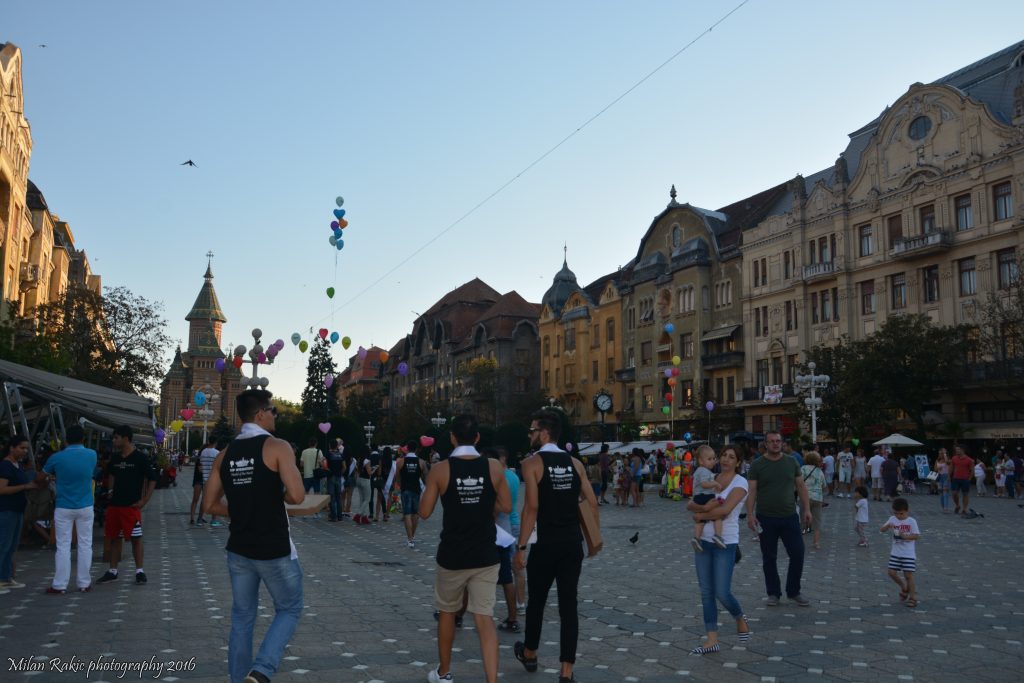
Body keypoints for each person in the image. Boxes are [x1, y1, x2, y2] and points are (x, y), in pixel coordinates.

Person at [203, 389, 305, 683]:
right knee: (289, 608)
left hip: (239, 549)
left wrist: (240, 510)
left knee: (242, 617)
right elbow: (297, 496)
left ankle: (239, 678)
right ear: (260, 414)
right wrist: (275, 497)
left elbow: (209, 505)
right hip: (273, 548)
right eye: (273, 410)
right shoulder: (277, 447)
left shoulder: (225, 455)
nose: (276, 416)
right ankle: (261, 670)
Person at [419, 414, 511, 683]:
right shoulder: (494, 467)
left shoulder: (441, 470)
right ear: (478, 437)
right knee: (484, 618)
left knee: (448, 612)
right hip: (486, 553)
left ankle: (444, 672)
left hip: (453, 554)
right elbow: (506, 506)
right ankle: (492, 680)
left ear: (452, 437)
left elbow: (424, 512)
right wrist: (483, 503)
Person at [514, 409, 598, 683]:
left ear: (544, 433)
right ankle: (566, 671)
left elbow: (532, 508)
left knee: (537, 601)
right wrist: (592, 539)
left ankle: (530, 652)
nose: (529, 434)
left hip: (545, 544)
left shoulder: (531, 464)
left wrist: (521, 547)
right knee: (568, 606)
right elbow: (591, 502)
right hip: (571, 543)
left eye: (532, 430)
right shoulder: (575, 464)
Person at [686, 445, 751, 654]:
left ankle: (739, 617)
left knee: (722, 592)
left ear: (738, 462)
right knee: (706, 592)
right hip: (703, 541)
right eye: (723, 455)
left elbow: (725, 510)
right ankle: (712, 639)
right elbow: (691, 502)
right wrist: (701, 509)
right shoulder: (710, 477)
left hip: (725, 542)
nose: (725, 459)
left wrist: (700, 514)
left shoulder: (740, 482)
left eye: (731, 457)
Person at [745, 431, 812, 607]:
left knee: (798, 553)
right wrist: (750, 514)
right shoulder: (757, 465)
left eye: (778, 441)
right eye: (772, 441)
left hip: (789, 516)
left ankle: (794, 591)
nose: (775, 444)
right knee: (769, 557)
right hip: (766, 518)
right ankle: (773, 593)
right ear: (765, 444)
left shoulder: (791, 461)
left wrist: (807, 509)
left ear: (782, 443)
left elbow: (801, 486)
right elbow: (752, 491)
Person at [97, 426, 157, 586]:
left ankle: (139, 571)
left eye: (116, 437)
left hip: (131, 506)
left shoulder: (140, 458)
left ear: (125, 438)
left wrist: (145, 500)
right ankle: (112, 571)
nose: (113, 441)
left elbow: (152, 478)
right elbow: (111, 473)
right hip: (115, 505)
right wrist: (110, 490)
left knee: (136, 538)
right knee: (115, 538)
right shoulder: (115, 458)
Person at [42, 426, 97, 594]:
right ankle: (84, 583)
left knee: (63, 546)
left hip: (63, 506)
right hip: (86, 505)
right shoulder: (92, 455)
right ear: (83, 439)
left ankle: (59, 585)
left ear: (66, 440)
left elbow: (41, 476)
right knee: (85, 544)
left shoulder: (56, 457)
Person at [0, 435, 38, 592]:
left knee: (12, 546)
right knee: (4, 544)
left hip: (17, 510)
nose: (25, 451)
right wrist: (24, 487)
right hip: (6, 510)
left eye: (26, 448)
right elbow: (2, 489)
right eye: (22, 448)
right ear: (12, 448)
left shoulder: (18, 465)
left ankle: (6, 577)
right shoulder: (5, 465)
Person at [880, 497, 921, 608]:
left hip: (908, 553)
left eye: (901, 513)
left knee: (908, 575)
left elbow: (917, 536)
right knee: (891, 573)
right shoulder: (892, 519)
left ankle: (913, 597)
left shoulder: (911, 521)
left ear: (907, 511)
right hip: (895, 553)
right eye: (896, 513)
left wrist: (906, 537)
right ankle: (904, 587)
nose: (898, 516)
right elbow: (881, 530)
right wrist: (887, 526)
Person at [690, 445, 725, 551]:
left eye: (714, 458)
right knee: (717, 515)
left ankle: (696, 538)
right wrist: (715, 484)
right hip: (704, 496)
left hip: (698, 497)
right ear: (701, 461)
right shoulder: (703, 470)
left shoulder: (700, 471)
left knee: (700, 521)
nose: (713, 461)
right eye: (709, 459)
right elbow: (704, 484)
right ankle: (718, 536)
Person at [398, 440, 427, 547]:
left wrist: (401, 485)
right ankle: (412, 536)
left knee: (407, 514)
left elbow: (397, 477)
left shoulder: (401, 461)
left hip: (405, 489)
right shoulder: (421, 462)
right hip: (416, 489)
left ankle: (409, 539)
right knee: (415, 514)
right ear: (416, 449)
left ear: (407, 449)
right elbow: (426, 476)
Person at [800, 451, 826, 549]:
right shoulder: (819, 471)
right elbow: (824, 485)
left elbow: (798, 482)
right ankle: (816, 542)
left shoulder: (803, 468)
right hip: (817, 498)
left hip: (804, 497)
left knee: (803, 519)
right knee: (817, 520)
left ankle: (800, 541)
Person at [199, 438, 223, 527]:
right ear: (215, 442)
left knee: (203, 499)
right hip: (214, 480)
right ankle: (214, 520)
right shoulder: (217, 453)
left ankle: (200, 519)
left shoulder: (203, 452)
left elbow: (201, 464)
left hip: (205, 479)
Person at [325, 438, 345, 522]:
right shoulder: (340, 454)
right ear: (337, 446)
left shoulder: (328, 454)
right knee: (338, 497)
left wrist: (327, 470)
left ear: (330, 445)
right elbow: (344, 467)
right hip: (338, 477)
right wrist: (340, 473)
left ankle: (333, 516)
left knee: (332, 497)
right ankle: (340, 516)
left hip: (331, 477)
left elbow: (323, 463)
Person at [950, 446, 974, 515]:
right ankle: (957, 505)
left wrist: (969, 479)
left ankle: (964, 509)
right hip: (955, 478)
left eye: (958, 449)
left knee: (965, 494)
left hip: (965, 479)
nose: (957, 451)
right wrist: (949, 476)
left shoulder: (969, 460)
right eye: (956, 449)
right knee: (954, 493)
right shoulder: (954, 458)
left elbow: (972, 470)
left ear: (963, 450)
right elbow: (951, 468)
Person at [189, 442, 206, 525]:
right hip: (199, 480)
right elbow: (200, 470)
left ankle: (200, 517)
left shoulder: (203, 458)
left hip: (203, 480)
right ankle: (192, 518)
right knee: (196, 499)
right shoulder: (200, 458)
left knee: (203, 500)